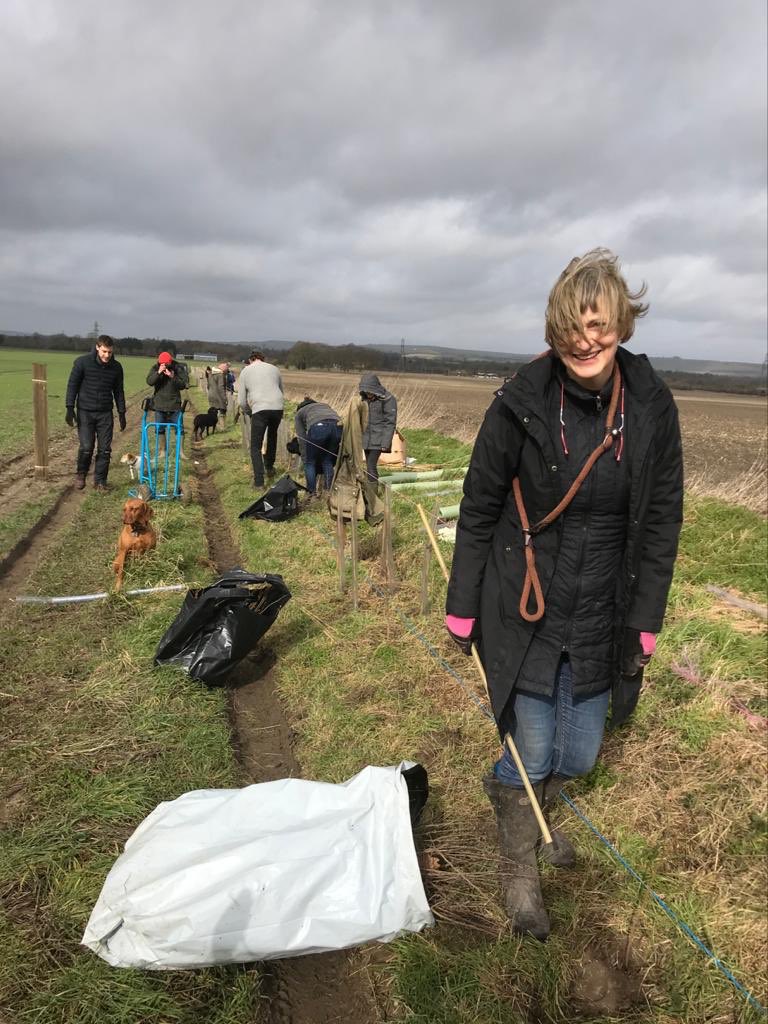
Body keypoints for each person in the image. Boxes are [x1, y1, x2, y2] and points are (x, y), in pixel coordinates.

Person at [445, 249, 683, 941]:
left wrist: (646, 620)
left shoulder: (650, 405)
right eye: (575, 329)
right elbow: (479, 503)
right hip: (526, 606)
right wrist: (462, 603)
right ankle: (519, 870)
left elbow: (663, 516)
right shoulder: (519, 403)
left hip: (606, 608)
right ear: (556, 330)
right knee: (534, 747)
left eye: (601, 326)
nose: (587, 342)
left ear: (621, 325)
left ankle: (537, 809)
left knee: (578, 755)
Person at [65, 334, 126, 492]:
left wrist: (121, 412)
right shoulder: (82, 363)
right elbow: (72, 385)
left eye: (110, 352)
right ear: (97, 347)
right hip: (85, 411)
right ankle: (81, 474)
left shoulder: (116, 367)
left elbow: (119, 391)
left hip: (105, 413)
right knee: (86, 447)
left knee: (105, 450)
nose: (107, 355)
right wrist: (70, 407)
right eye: (104, 351)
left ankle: (100, 481)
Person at [239, 350, 284, 487]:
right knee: (272, 438)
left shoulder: (246, 371)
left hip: (260, 409)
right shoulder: (275, 369)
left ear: (250, 359)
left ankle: (259, 481)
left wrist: (249, 411)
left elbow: (241, 400)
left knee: (255, 446)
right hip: (277, 407)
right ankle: (269, 468)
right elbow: (281, 390)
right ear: (262, 359)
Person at [295, 397, 342, 495]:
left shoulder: (299, 413)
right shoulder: (324, 406)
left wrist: (305, 458)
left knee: (310, 462)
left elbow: (302, 438)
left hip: (319, 427)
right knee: (327, 460)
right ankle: (328, 493)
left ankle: (311, 493)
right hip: (338, 426)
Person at [358, 373, 397, 482]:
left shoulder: (388, 400)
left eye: (370, 392)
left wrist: (385, 443)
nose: (368, 394)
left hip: (378, 439)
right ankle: (369, 488)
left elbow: (390, 423)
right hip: (366, 439)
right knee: (368, 465)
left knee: (371, 465)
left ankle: (373, 492)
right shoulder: (363, 399)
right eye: (366, 392)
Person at [146, 351, 189, 445]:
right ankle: (162, 451)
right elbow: (149, 382)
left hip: (174, 404)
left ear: (170, 361)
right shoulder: (155, 368)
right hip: (159, 405)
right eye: (162, 363)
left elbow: (183, 385)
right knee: (159, 429)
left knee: (179, 428)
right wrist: (158, 372)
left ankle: (180, 452)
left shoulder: (178, 368)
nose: (164, 365)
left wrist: (172, 377)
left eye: (166, 363)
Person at [207, 361, 230, 428]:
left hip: (211, 395)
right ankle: (222, 427)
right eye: (226, 368)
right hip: (218, 396)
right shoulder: (220, 375)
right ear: (223, 368)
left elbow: (208, 386)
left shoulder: (211, 373)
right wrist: (224, 399)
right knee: (222, 411)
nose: (227, 370)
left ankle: (214, 425)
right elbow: (221, 387)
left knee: (213, 411)